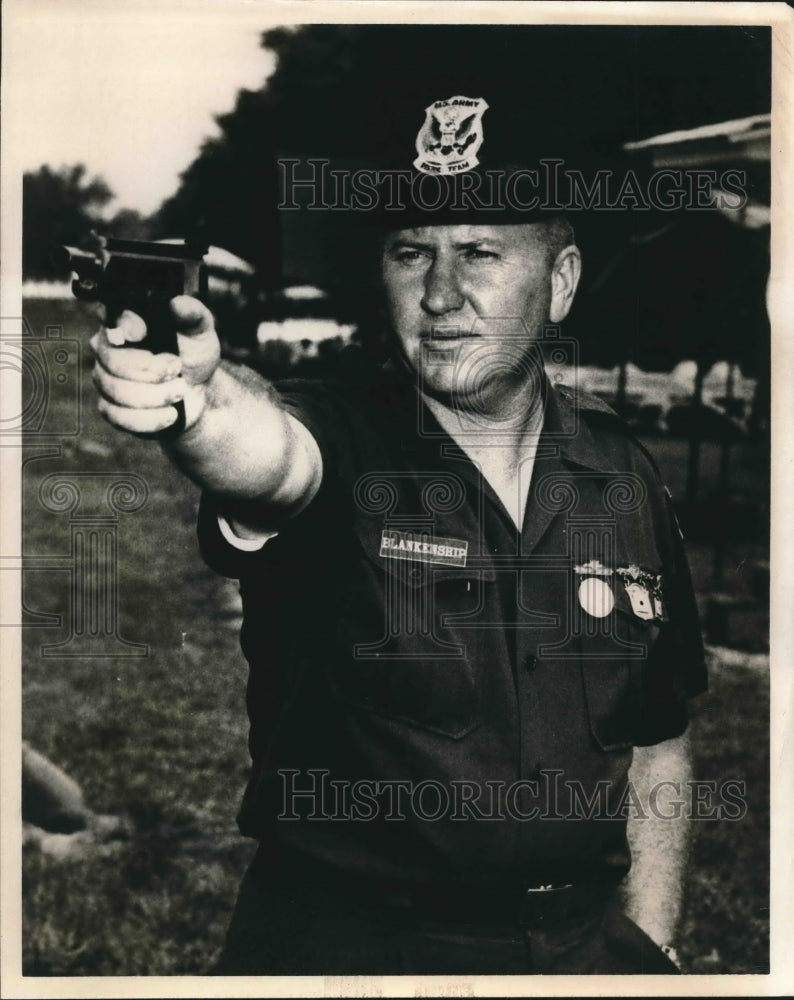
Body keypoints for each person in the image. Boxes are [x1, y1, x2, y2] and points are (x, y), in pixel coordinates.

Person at [89, 96, 707, 975]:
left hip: (579, 950)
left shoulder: (624, 476)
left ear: (561, 281)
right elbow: (266, 452)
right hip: (353, 952)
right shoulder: (341, 439)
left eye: (480, 253)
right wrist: (192, 403)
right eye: (412, 252)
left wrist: (650, 950)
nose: (441, 293)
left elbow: (658, 734)